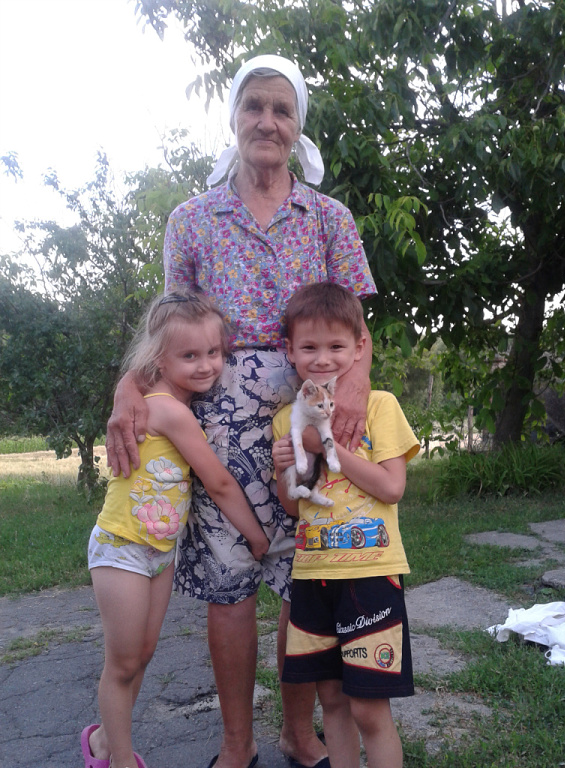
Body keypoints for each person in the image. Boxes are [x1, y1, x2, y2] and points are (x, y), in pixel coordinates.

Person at [106, 54, 378, 768]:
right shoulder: (192, 219)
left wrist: (353, 388)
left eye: (281, 110)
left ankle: (296, 731)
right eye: (254, 106)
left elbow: (357, 326)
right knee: (229, 587)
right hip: (216, 426)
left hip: (306, 418)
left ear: (297, 126)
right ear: (233, 117)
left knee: (301, 581)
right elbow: (168, 329)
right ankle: (237, 743)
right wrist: (129, 385)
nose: (266, 121)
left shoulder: (329, 217)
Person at [83, 291, 269, 768]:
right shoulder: (168, 410)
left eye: (214, 352)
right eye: (190, 356)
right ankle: (119, 760)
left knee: (142, 654)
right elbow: (219, 483)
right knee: (123, 662)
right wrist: (256, 535)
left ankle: (102, 739)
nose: (206, 365)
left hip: (160, 551)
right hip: (123, 546)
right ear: (158, 359)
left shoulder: (165, 402)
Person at [272, 283, 420, 768]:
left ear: (359, 347)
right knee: (332, 703)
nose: (322, 359)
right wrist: (284, 468)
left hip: (370, 574)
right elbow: (292, 508)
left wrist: (325, 447)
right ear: (289, 350)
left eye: (336, 346)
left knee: (369, 710)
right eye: (309, 347)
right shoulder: (286, 420)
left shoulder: (381, 405)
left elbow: (391, 487)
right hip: (313, 577)